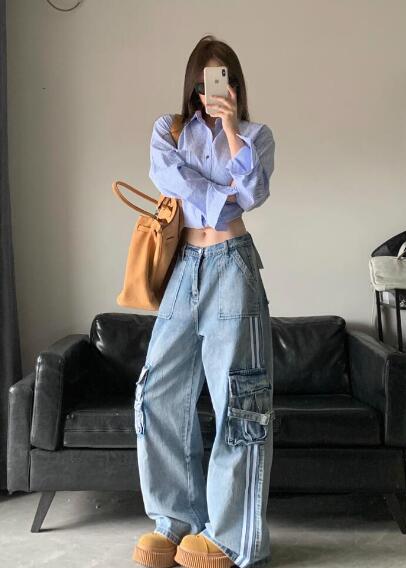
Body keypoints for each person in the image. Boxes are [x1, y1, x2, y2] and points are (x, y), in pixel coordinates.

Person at [132, 34, 275, 568]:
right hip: (183, 265)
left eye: (221, 80)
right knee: (157, 391)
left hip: (232, 264)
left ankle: (233, 537)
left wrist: (232, 132)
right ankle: (175, 521)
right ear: (191, 86)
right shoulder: (168, 130)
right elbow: (168, 176)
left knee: (241, 398)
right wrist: (223, 194)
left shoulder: (257, 135)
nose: (209, 91)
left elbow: (253, 192)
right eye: (201, 82)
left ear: (234, 85)